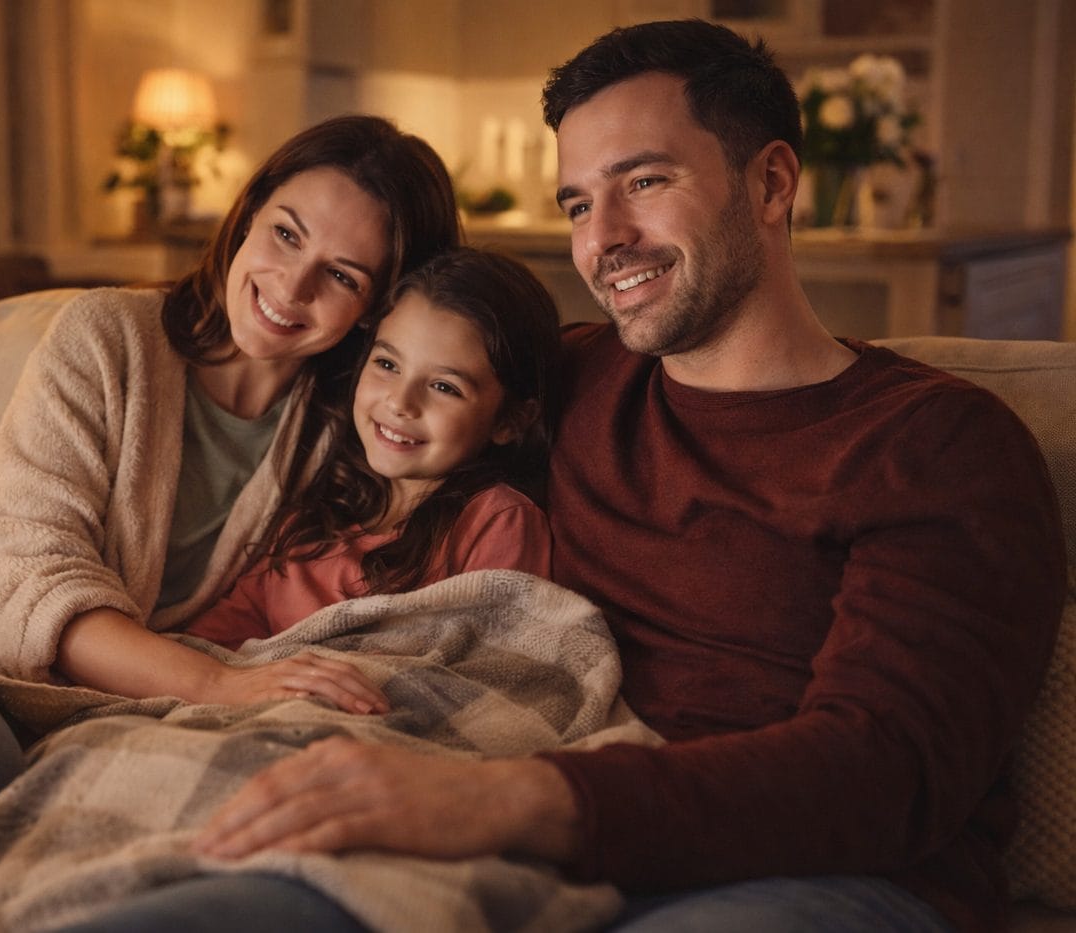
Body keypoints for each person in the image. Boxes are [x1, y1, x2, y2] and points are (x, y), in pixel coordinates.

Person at [190, 20, 1067, 933]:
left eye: (644, 182)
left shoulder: (938, 445)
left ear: (771, 182)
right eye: (576, 204)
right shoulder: (561, 382)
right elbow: (363, 358)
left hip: (809, 879)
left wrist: (510, 801)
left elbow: (887, 774)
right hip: (527, 834)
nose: (602, 239)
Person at [0, 114, 461, 933]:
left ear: (375, 308)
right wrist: (222, 684)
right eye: (285, 235)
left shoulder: (356, 424)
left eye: (341, 275)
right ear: (247, 213)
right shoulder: (106, 336)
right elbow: (32, 578)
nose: (290, 288)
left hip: (144, 719)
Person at [184, 246, 562, 656]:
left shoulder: (497, 523)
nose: (401, 402)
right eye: (387, 365)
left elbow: (495, 671)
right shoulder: (317, 509)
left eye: (444, 387)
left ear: (510, 422)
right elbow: (213, 643)